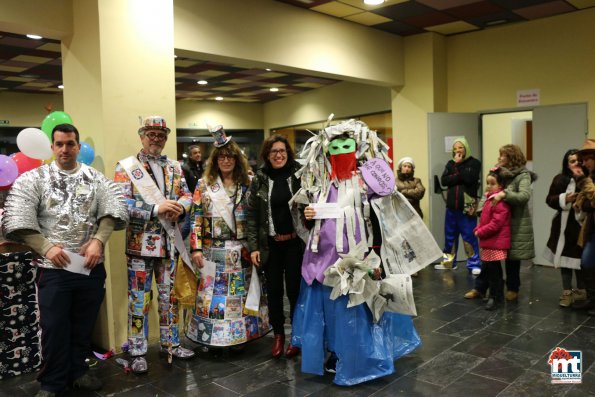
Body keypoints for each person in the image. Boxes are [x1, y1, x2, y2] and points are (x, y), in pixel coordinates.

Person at [290, 119, 424, 386]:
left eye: (346, 146)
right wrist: (308, 215)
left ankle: (363, 355)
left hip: (360, 257)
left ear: (357, 148)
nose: (341, 152)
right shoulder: (319, 183)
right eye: (335, 147)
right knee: (330, 310)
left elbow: (386, 208)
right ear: (327, 152)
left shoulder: (366, 182)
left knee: (359, 309)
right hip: (324, 260)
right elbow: (307, 218)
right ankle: (334, 353)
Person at [2, 123, 128, 397]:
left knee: (83, 326)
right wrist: (45, 247)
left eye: (70, 144)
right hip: (54, 268)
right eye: (59, 144)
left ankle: (78, 372)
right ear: (52, 147)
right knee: (55, 327)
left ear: (78, 146)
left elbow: (112, 210)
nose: (65, 149)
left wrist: (99, 240)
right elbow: (18, 218)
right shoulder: (35, 178)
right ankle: (52, 382)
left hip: (89, 266)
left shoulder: (95, 178)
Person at [114, 116, 195, 374]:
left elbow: (187, 195)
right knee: (139, 300)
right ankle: (137, 352)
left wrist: (180, 208)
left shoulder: (175, 167)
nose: (156, 139)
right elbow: (121, 204)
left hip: (169, 245)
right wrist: (155, 208)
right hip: (139, 247)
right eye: (151, 134)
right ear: (142, 136)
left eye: (161, 135)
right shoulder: (126, 167)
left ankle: (170, 344)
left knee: (169, 298)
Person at [186, 125, 271, 348]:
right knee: (211, 297)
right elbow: (195, 218)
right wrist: (195, 248)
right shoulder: (203, 186)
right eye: (221, 157)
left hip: (241, 249)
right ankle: (211, 337)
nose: (226, 161)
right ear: (215, 160)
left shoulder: (248, 184)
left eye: (230, 157)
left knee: (240, 295)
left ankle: (241, 337)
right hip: (212, 250)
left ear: (237, 160)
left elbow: (257, 218)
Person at [247, 135, 306, 359]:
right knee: (273, 292)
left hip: (294, 244)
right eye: (273, 152)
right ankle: (279, 336)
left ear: (288, 153)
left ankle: (297, 337)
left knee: (295, 291)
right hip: (270, 245)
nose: (278, 155)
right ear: (267, 155)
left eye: (282, 151)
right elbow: (252, 216)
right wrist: (254, 247)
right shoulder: (260, 179)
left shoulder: (299, 175)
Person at [491, 144, 537, 301]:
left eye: (503, 155)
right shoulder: (500, 173)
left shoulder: (523, 175)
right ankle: (485, 287)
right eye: (500, 155)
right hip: (498, 220)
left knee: (512, 257)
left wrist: (505, 194)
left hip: (515, 221)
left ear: (512, 158)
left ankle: (512, 288)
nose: (500, 157)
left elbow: (524, 196)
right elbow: (489, 188)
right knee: (491, 255)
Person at [543, 149, 586, 307]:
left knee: (580, 261)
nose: (576, 164)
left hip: (580, 227)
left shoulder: (587, 179)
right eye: (572, 161)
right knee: (565, 261)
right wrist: (564, 199)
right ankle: (566, 292)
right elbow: (549, 199)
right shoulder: (560, 179)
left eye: (578, 161)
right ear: (566, 164)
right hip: (562, 226)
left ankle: (582, 292)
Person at [435, 137, 482, 274]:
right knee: (450, 236)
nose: (457, 151)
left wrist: (457, 168)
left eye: (460, 147)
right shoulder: (450, 163)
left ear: (466, 148)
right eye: (455, 148)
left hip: (468, 205)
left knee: (469, 235)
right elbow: (444, 180)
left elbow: (469, 179)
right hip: (451, 206)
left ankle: (474, 264)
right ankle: (449, 263)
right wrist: (457, 172)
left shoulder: (474, 163)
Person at [468, 168, 511, 311]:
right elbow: (484, 219)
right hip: (489, 241)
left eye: (492, 183)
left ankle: (496, 297)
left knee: (495, 273)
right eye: (487, 183)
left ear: (501, 186)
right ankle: (494, 295)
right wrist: (477, 228)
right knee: (492, 270)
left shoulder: (499, 202)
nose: (489, 186)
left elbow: (496, 224)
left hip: (495, 242)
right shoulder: (489, 199)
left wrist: (480, 231)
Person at [570, 139, 595, 314]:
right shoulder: (591, 176)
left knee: (588, 260)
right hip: (592, 227)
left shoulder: (589, 178)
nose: (584, 162)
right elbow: (588, 202)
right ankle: (592, 300)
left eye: (587, 158)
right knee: (587, 261)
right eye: (583, 159)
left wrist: (582, 180)